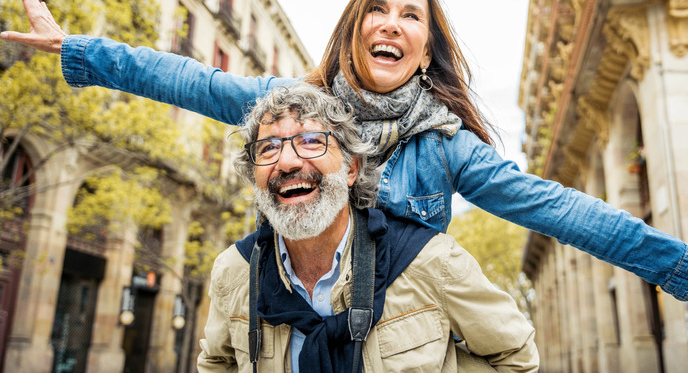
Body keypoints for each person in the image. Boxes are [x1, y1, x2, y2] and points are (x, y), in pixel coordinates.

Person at [2, 0, 688, 301]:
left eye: (413, 16)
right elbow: (188, 78)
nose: (392, 23)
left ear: (426, 47)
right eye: (381, 8)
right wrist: (79, 50)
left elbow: (556, 207)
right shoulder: (291, 102)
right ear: (357, 26)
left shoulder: (444, 143)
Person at [197, 82, 540, 372]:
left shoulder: (433, 262)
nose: (287, 161)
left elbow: (516, 357)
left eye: (312, 141)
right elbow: (216, 362)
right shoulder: (234, 272)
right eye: (269, 147)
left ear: (351, 169)